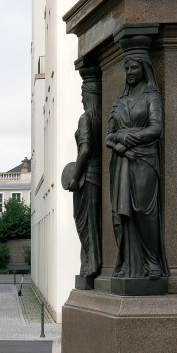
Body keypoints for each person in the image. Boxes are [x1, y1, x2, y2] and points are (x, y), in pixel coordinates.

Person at [107, 50, 167, 287]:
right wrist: (121, 139)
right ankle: (126, 262)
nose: (130, 72)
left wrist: (128, 138)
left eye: (134, 68)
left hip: (144, 160)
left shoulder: (151, 96)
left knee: (143, 210)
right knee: (120, 214)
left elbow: (156, 129)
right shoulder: (119, 102)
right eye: (127, 68)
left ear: (144, 69)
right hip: (121, 162)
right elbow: (109, 136)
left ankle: (152, 261)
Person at [62, 69, 103, 289]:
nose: (80, 98)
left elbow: (85, 150)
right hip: (97, 175)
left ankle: (91, 264)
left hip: (86, 177)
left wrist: (74, 179)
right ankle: (92, 262)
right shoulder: (104, 116)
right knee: (93, 222)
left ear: (89, 94)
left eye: (82, 93)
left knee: (84, 223)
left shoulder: (85, 118)